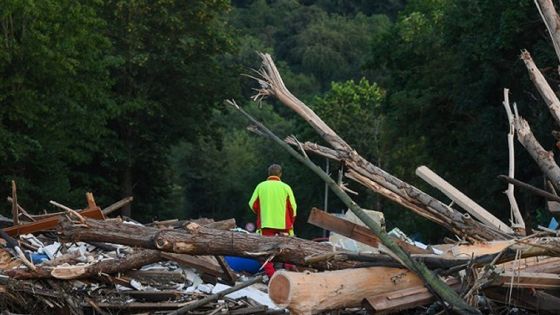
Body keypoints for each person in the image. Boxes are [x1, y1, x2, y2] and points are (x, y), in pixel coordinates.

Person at [248, 164, 297, 277]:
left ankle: (272, 276)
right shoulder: (286, 187)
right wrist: (291, 222)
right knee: (287, 250)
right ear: (280, 174)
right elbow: (293, 208)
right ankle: (290, 274)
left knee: (265, 252)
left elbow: (252, 204)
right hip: (284, 225)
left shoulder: (261, 186)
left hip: (266, 224)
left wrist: (262, 213)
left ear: (268, 174)